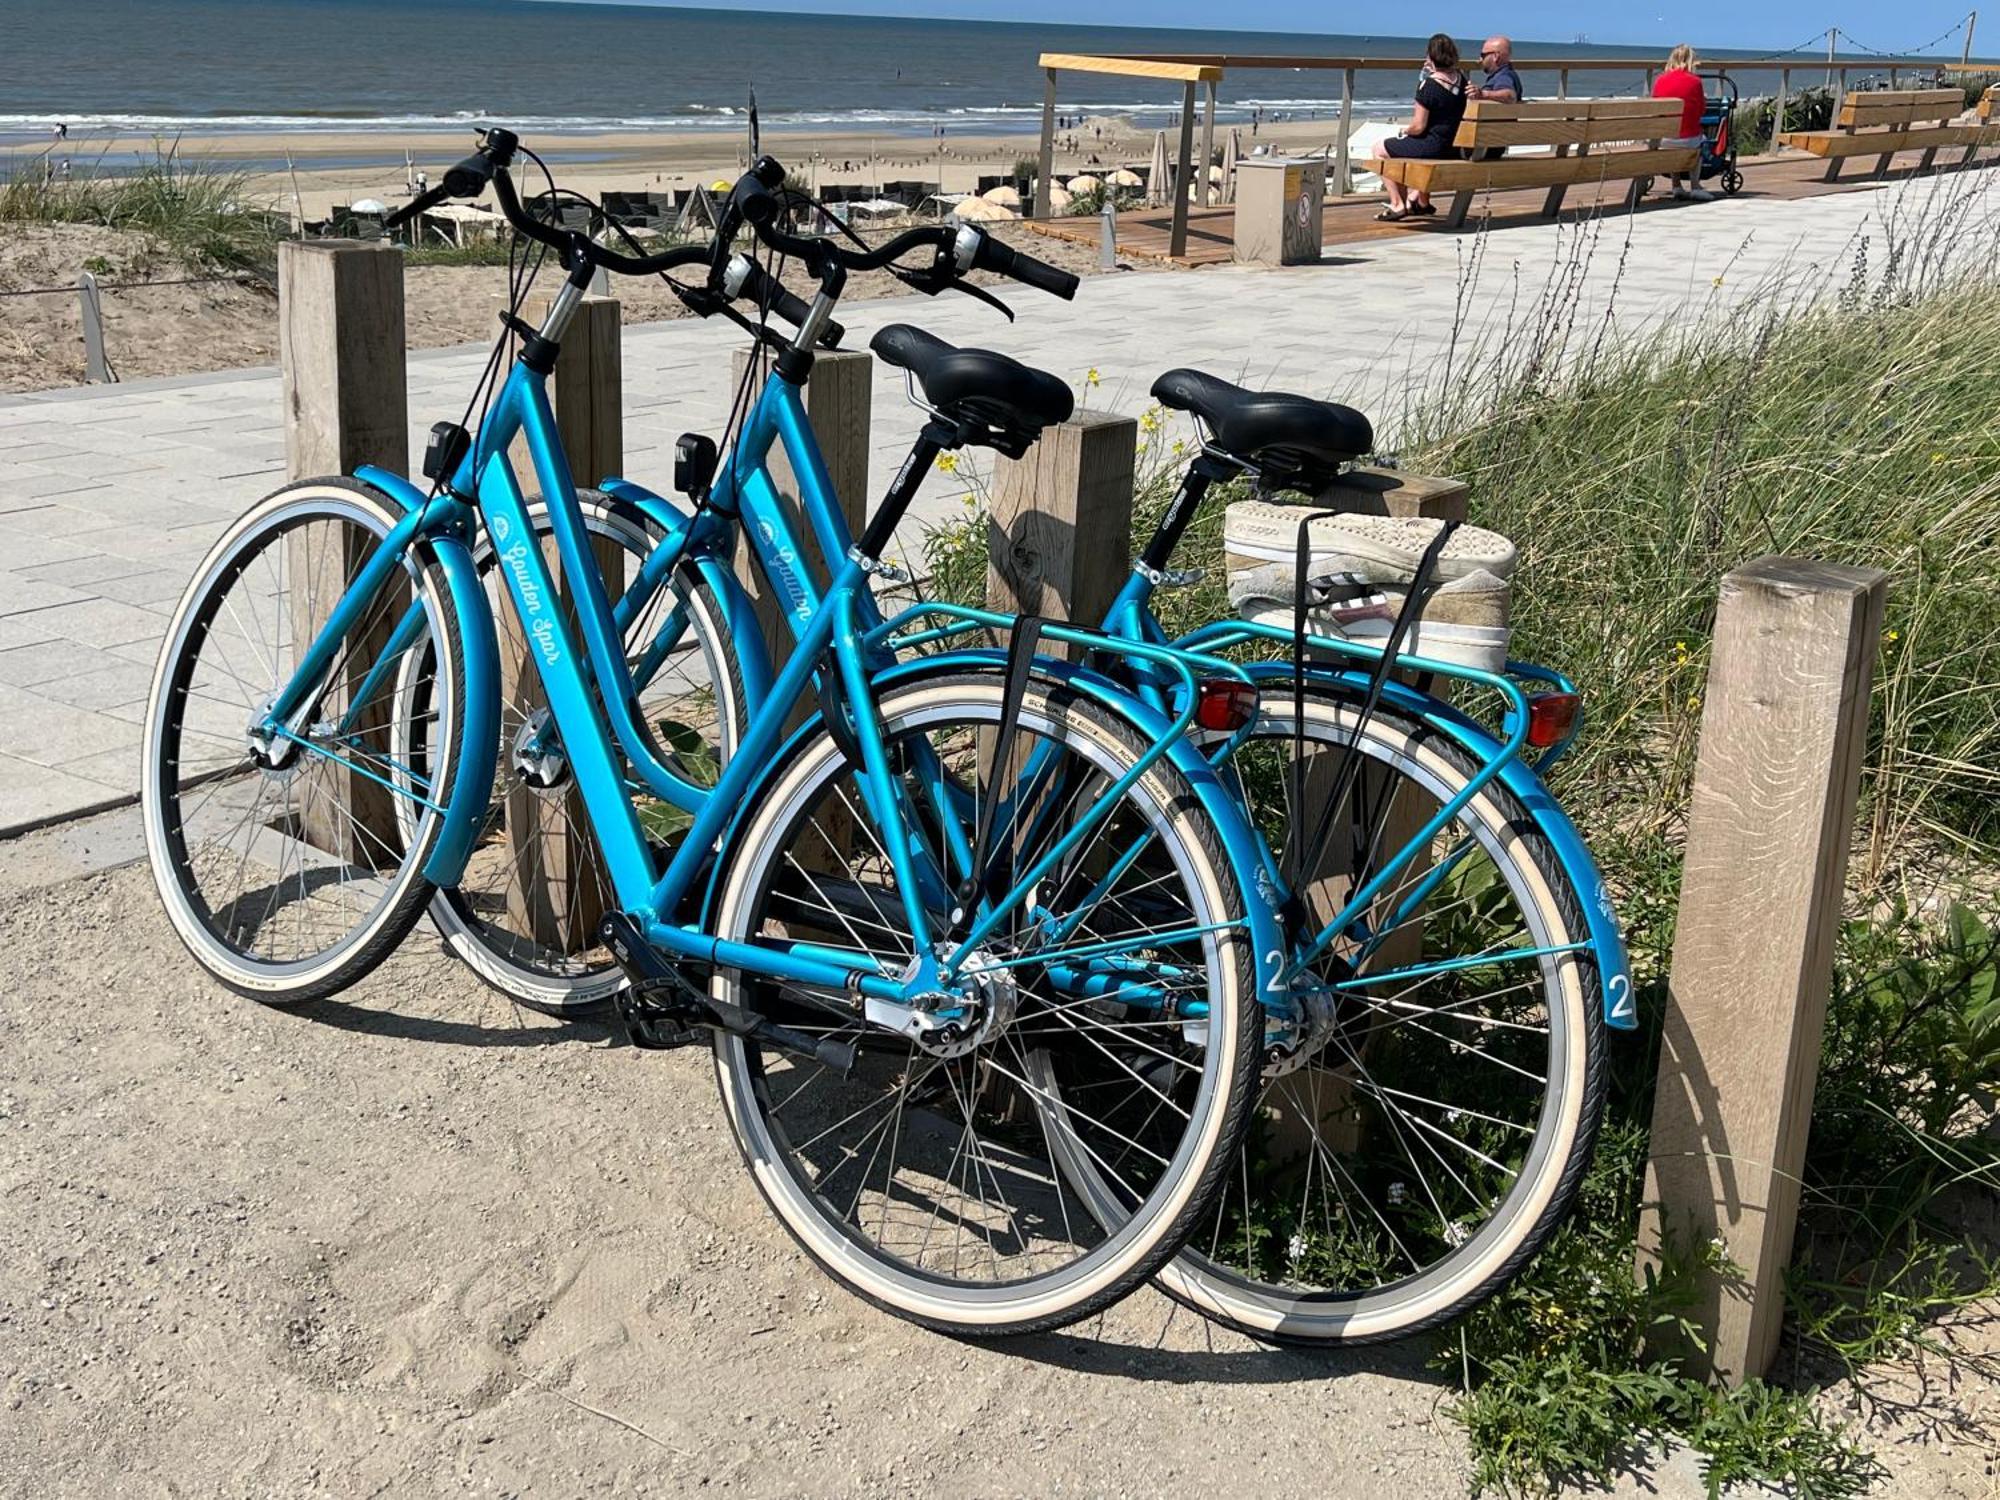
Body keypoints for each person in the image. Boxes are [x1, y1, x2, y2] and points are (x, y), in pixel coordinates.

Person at [1371, 32, 1468, 221]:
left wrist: (1403, 130)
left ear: (1431, 57)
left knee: (1379, 149)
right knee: (1402, 149)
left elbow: (1418, 127)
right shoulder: (1463, 81)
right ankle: (1420, 202)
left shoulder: (1429, 85)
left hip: (1433, 147)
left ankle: (1398, 204)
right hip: (1454, 147)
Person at [1651, 43, 1712, 201]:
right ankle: (1695, 185)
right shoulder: (1695, 82)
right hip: (1688, 140)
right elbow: (1701, 112)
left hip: (1662, 140)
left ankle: (1676, 185)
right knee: (1700, 140)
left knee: (1672, 136)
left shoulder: (1659, 81)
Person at [1469, 36, 1523, 104]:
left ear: (1495, 56)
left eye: (1483, 55)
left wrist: (1482, 94)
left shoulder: (1503, 76)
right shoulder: (1508, 73)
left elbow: (1510, 96)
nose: (1479, 60)